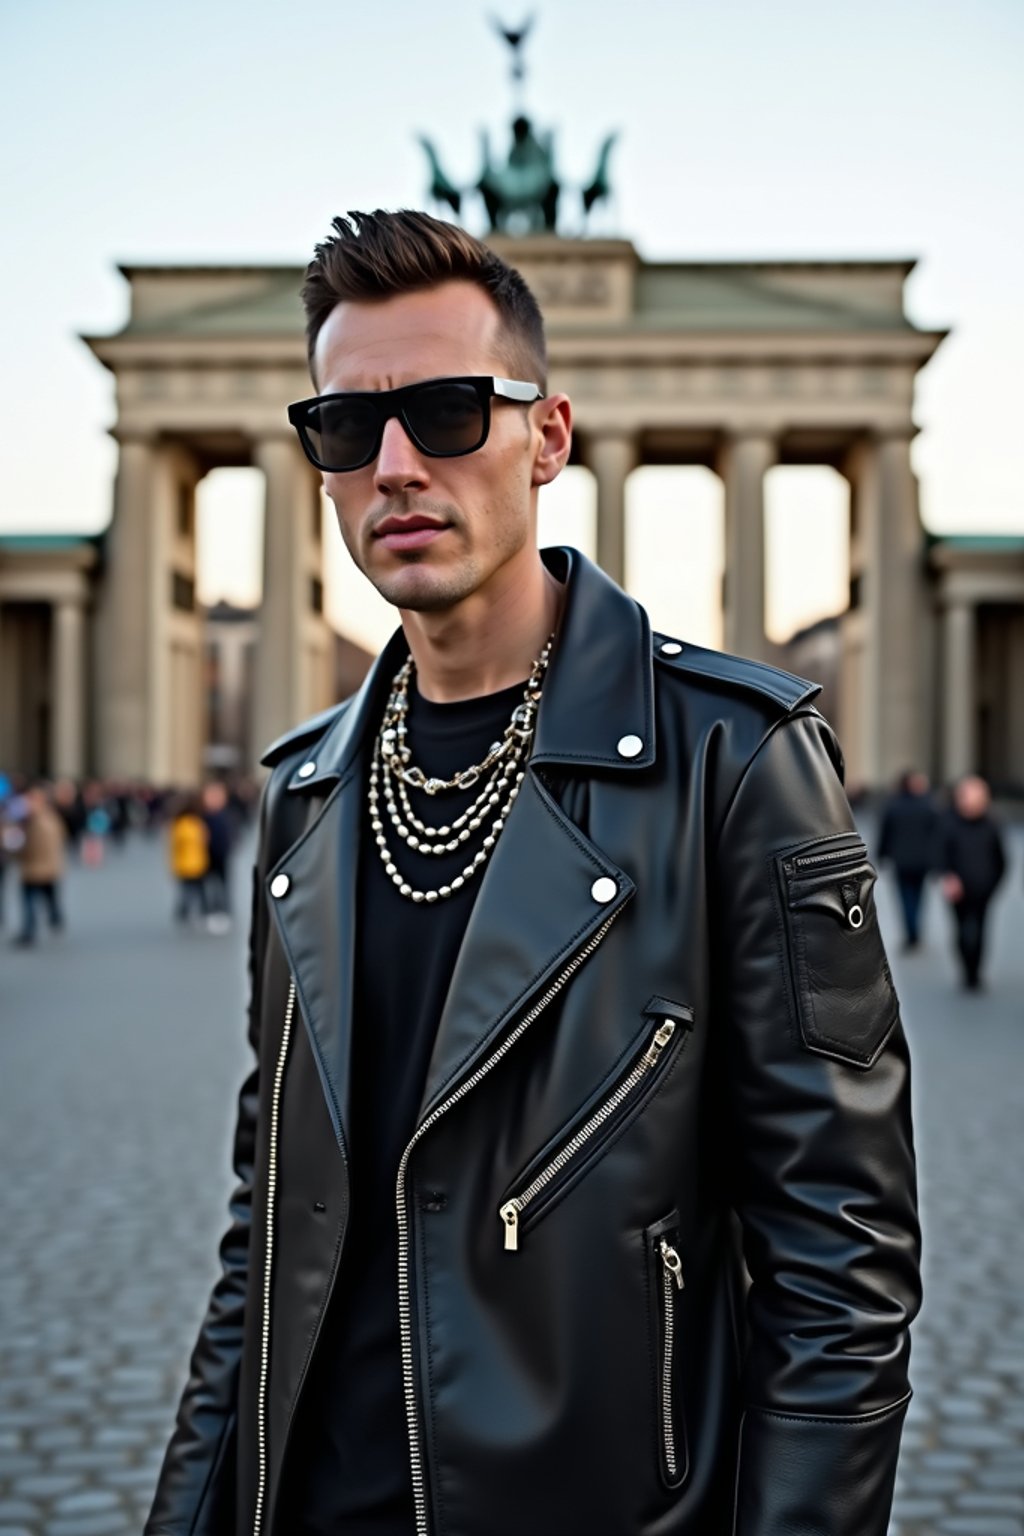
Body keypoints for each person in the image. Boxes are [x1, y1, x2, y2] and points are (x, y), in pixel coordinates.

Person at [146, 211, 920, 1536]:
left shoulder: (737, 764)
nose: (394, 466)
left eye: (448, 413)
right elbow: (267, 1228)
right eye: (346, 428)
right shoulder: (306, 793)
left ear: (548, 436)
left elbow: (838, 1263)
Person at [939, 773, 1006, 991]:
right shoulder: (949, 823)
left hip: (983, 890)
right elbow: (940, 854)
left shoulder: (991, 825)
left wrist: (993, 886)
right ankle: (966, 969)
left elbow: (1001, 860)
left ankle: (975, 972)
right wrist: (948, 877)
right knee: (961, 931)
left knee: (979, 930)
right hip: (958, 890)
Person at [878, 768, 939, 949]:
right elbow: (938, 835)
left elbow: (885, 833)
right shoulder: (929, 806)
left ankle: (911, 932)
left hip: (902, 860)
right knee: (917, 897)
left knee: (906, 898)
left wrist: (882, 854)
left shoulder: (894, 805)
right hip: (920, 861)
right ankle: (914, 931)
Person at [12, 783, 66, 947]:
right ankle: (55, 916)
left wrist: (16, 853)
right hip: (50, 866)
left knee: (29, 900)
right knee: (49, 895)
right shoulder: (52, 818)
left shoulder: (34, 822)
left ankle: (29, 930)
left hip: (35, 867)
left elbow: (28, 848)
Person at [167, 791, 210, 927]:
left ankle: (185, 913)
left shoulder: (180, 824)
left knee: (189, 891)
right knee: (195, 890)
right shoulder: (194, 824)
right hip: (194, 863)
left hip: (188, 863)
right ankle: (192, 912)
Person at [201, 780, 235, 933]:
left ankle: (224, 910)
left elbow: (231, 836)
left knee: (223, 884)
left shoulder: (226, 815)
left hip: (221, 855)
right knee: (207, 885)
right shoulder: (202, 816)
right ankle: (209, 911)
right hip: (205, 855)